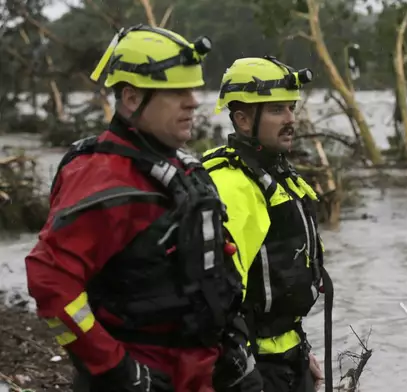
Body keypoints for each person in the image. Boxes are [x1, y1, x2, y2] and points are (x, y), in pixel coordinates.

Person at [24, 24, 262, 392]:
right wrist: (116, 368)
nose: (193, 101)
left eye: (193, 88)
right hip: (142, 377)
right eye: (177, 91)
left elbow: (217, 270)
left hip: (201, 372)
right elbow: (50, 283)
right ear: (132, 98)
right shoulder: (102, 178)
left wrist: (237, 345)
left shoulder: (186, 169)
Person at [201, 56, 334, 392]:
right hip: (254, 368)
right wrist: (244, 376)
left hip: (289, 357)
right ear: (243, 119)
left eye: (291, 108)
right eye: (277, 110)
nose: (291, 119)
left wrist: (301, 354)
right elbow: (218, 302)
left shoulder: (275, 175)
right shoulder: (232, 186)